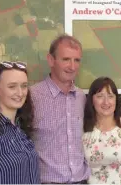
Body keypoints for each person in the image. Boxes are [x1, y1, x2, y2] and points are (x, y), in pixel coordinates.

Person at [30, 35, 90, 184]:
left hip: (81, 181)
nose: (72, 66)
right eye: (66, 59)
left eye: (77, 60)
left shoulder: (81, 97)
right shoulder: (32, 96)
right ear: (51, 60)